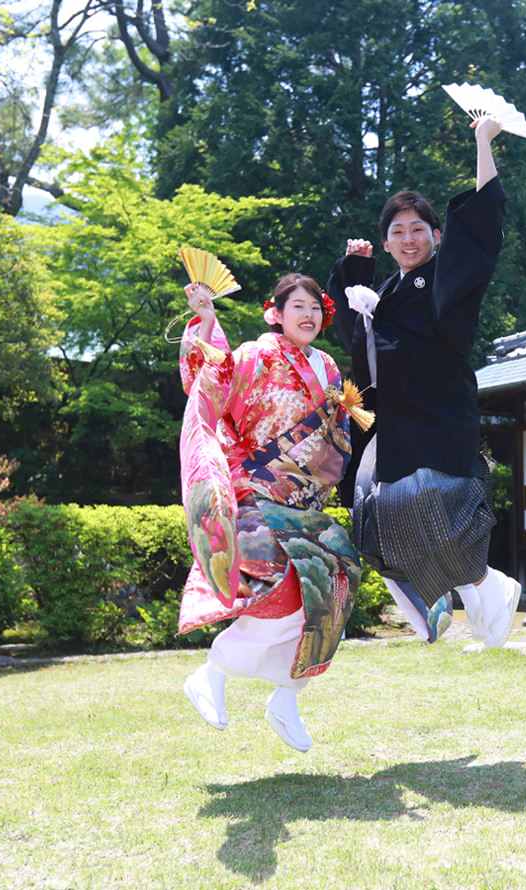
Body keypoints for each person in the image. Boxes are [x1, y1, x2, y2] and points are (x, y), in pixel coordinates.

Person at [326, 114, 521, 647]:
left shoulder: (443, 278)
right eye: (397, 231)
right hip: (395, 427)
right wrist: (353, 273)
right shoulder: (386, 290)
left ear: (437, 236)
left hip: (439, 417)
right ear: (386, 242)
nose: (408, 238)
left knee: (440, 506)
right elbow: (355, 338)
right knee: (376, 521)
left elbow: (480, 230)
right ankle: (474, 592)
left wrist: (482, 143)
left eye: (418, 229)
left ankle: (484, 584)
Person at [177, 273, 363, 753]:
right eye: (297, 306)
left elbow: (335, 441)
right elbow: (208, 375)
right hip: (254, 491)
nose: (309, 316)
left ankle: (288, 695)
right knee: (275, 579)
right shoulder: (254, 355)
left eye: (316, 309)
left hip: (304, 501)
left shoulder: (328, 370)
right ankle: (214, 670)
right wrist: (206, 318)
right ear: (274, 314)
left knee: (334, 583)